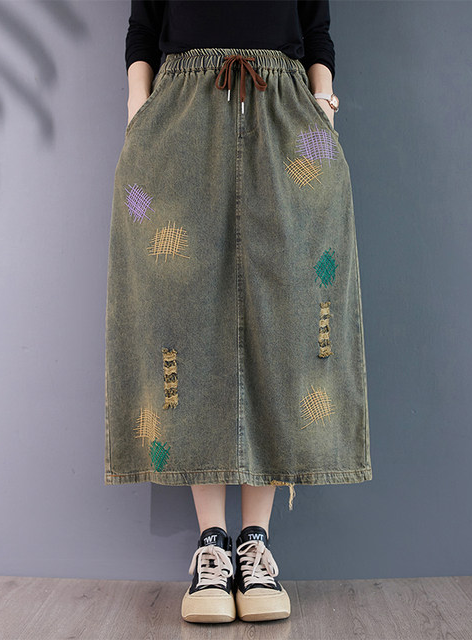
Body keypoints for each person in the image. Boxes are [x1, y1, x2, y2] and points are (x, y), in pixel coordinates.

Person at [105, 0, 372, 624]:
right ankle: (212, 546)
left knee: (284, 322)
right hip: (181, 116)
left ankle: (255, 545)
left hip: (285, 117)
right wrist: (139, 114)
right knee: (188, 320)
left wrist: (323, 107)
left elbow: (316, 31)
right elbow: (144, 28)